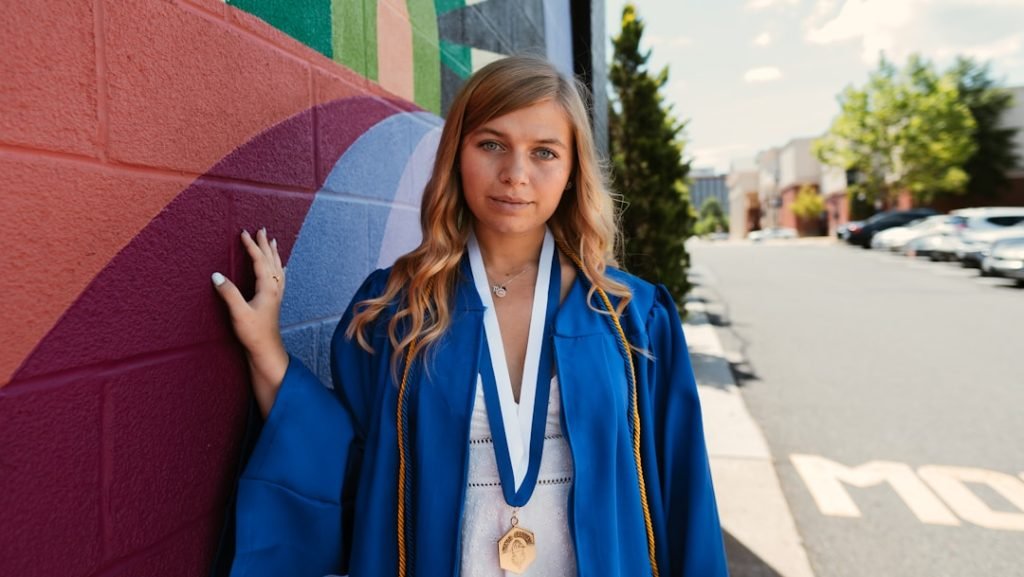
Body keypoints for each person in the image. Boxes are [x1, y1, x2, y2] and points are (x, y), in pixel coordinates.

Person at [212, 55, 728, 577]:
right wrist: (265, 348)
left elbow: (685, 491)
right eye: (491, 144)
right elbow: (342, 460)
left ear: (572, 173)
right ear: (457, 153)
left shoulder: (632, 318)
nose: (515, 175)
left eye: (544, 152)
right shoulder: (396, 310)